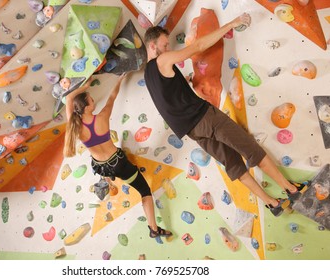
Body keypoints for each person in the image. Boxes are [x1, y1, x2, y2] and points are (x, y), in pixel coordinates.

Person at [143, 13, 308, 217]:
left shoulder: (148, 75)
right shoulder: (162, 60)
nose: (167, 49)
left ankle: (272, 203)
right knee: (251, 149)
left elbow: (169, 96)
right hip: (204, 117)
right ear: (153, 46)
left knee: (234, 165)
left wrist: (184, 82)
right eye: (165, 45)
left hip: (191, 130)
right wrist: (232, 23)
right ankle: (291, 189)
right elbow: (197, 47)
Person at [63, 74, 172, 238]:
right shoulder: (102, 116)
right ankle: (154, 229)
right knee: (144, 191)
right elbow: (112, 97)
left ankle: (109, 178)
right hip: (118, 163)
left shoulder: (75, 126)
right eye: (91, 100)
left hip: (100, 166)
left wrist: (85, 86)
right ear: (87, 107)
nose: (94, 101)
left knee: (103, 165)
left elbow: (69, 98)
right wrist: (119, 80)